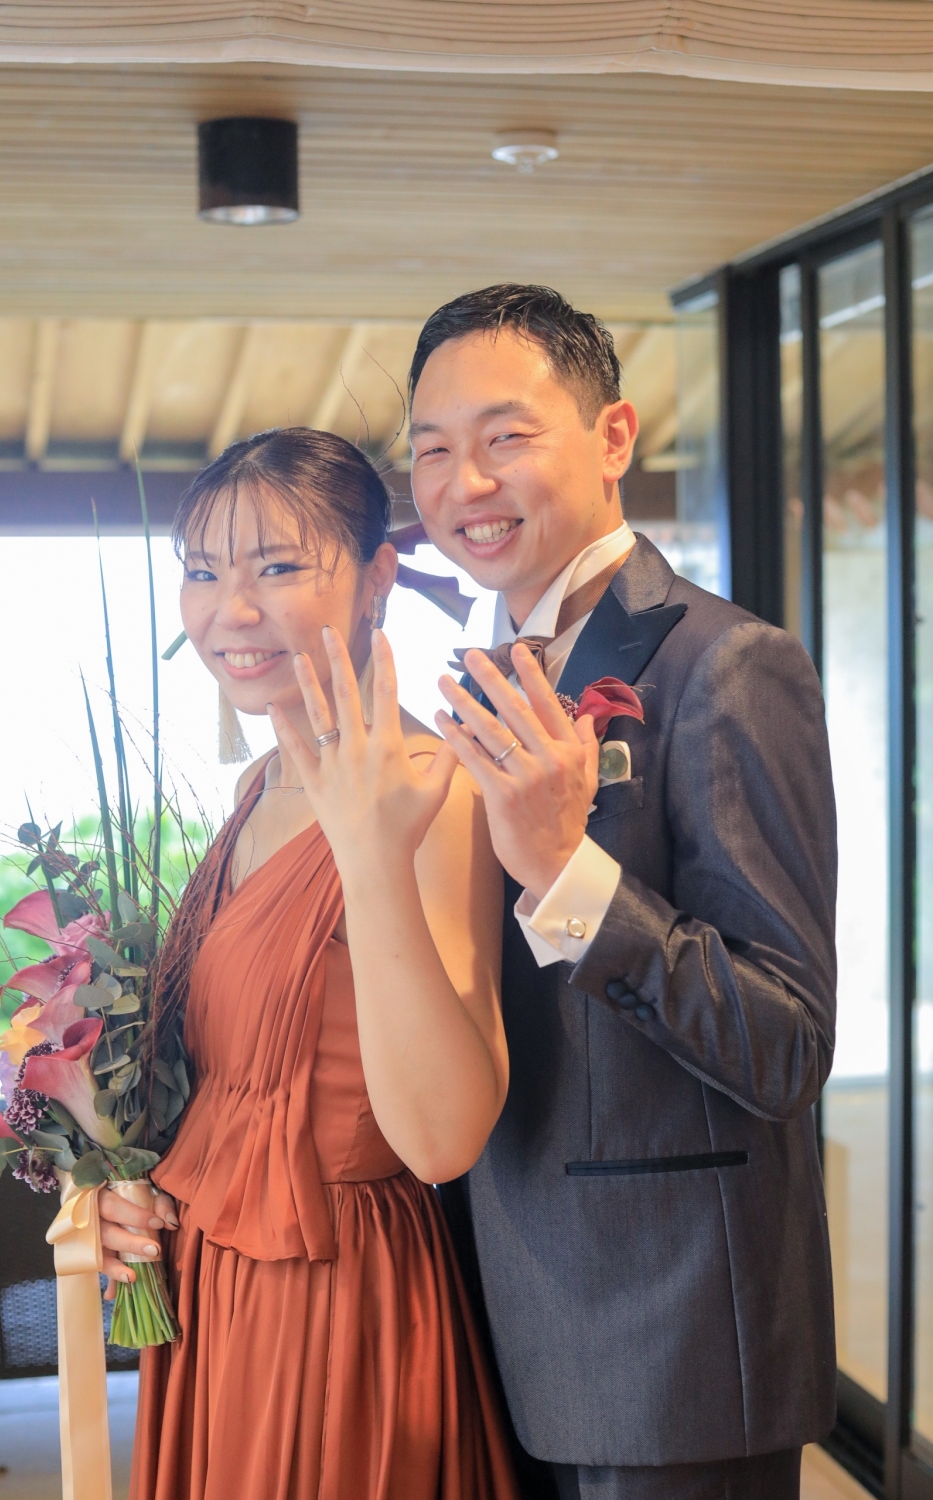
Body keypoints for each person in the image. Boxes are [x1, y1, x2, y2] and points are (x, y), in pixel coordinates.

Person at [408, 285, 838, 1500]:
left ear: (612, 438)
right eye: (430, 450)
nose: (464, 482)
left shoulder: (727, 662)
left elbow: (787, 1043)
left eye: (504, 436)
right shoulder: (484, 678)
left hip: (670, 1343)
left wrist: (566, 873)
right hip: (501, 1313)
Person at [96, 428, 520, 1500]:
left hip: (336, 1300)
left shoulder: (433, 786)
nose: (230, 611)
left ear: (378, 577)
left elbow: (442, 1139)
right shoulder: (257, 789)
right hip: (212, 1292)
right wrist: (118, 1183)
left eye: (278, 568)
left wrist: (371, 858)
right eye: (203, 572)